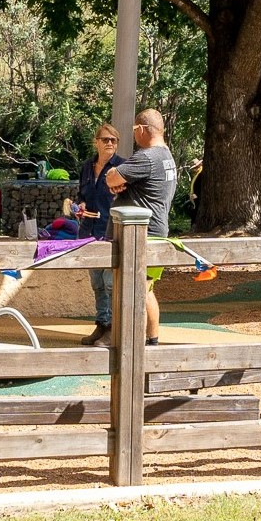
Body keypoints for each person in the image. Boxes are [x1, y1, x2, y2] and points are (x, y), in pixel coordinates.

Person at [103, 108, 178, 346]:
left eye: (135, 130)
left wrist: (114, 180)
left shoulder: (147, 157)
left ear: (143, 130)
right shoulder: (166, 156)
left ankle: (134, 343)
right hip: (156, 232)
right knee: (145, 290)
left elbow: (112, 177)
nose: (134, 136)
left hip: (141, 236)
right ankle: (151, 340)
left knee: (136, 292)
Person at [75, 124, 123, 347]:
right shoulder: (86, 167)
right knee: (97, 282)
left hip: (110, 231)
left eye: (114, 140)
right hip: (88, 232)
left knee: (110, 282)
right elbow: (81, 195)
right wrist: (80, 207)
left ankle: (114, 328)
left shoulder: (122, 167)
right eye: (105, 139)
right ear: (96, 142)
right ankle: (102, 324)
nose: (110, 143)